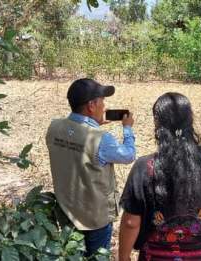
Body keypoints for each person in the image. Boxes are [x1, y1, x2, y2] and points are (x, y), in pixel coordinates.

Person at [118, 92, 201, 261]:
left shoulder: (144, 167)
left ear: (157, 123)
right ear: (190, 119)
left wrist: (123, 257)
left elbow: (130, 223)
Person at [45, 78, 136, 258]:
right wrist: (127, 129)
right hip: (96, 218)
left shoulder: (54, 127)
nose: (104, 106)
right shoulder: (101, 139)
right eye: (102, 101)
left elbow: (73, 143)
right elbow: (128, 155)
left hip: (66, 211)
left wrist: (91, 125)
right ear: (91, 106)